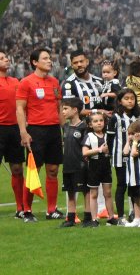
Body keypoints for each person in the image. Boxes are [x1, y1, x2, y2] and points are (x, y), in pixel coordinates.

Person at [16, 47, 63, 222]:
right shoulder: (26, 82)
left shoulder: (55, 82)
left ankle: (51, 210)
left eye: (50, 58)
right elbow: (20, 109)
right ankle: (26, 210)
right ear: (35, 62)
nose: (49, 61)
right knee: (33, 171)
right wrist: (23, 132)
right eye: (45, 58)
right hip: (36, 130)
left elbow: (59, 108)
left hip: (54, 130)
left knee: (53, 170)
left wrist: (64, 130)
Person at [0, 50, 26, 218]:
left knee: (17, 168)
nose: (6, 59)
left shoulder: (16, 82)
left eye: (6, 57)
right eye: (2, 58)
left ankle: (20, 207)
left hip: (15, 129)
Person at [110, 87, 140, 223]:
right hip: (119, 156)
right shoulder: (115, 118)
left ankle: (134, 213)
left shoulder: (136, 117)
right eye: (126, 99)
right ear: (120, 101)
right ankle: (121, 216)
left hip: (134, 156)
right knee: (122, 185)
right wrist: (111, 154)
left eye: (132, 98)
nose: (130, 101)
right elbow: (110, 138)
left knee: (134, 185)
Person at [59, 97, 88, 228]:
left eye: (66, 109)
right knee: (70, 191)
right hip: (67, 164)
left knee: (85, 191)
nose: (63, 112)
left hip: (80, 165)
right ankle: (70, 218)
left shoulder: (83, 127)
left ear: (75, 110)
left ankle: (88, 217)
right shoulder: (65, 126)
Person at [82, 111, 114, 227]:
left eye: (101, 120)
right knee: (94, 193)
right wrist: (99, 150)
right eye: (95, 121)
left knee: (108, 192)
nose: (99, 123)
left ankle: (111, 217)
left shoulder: (107, 136)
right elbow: (85, 152)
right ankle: (94, 219)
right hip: (94, 166)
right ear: (90, 125)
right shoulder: (89, 136)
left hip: (106, 166)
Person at [62, 49, 103, 120]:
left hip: (102, 124)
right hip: (82, 125)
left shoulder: (100, 81)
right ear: (72, 65)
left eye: (81, 61)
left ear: (87, 62)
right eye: (75, 63)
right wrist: (97, 111)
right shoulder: (68, 84)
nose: (79, 65)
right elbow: (70, 111)